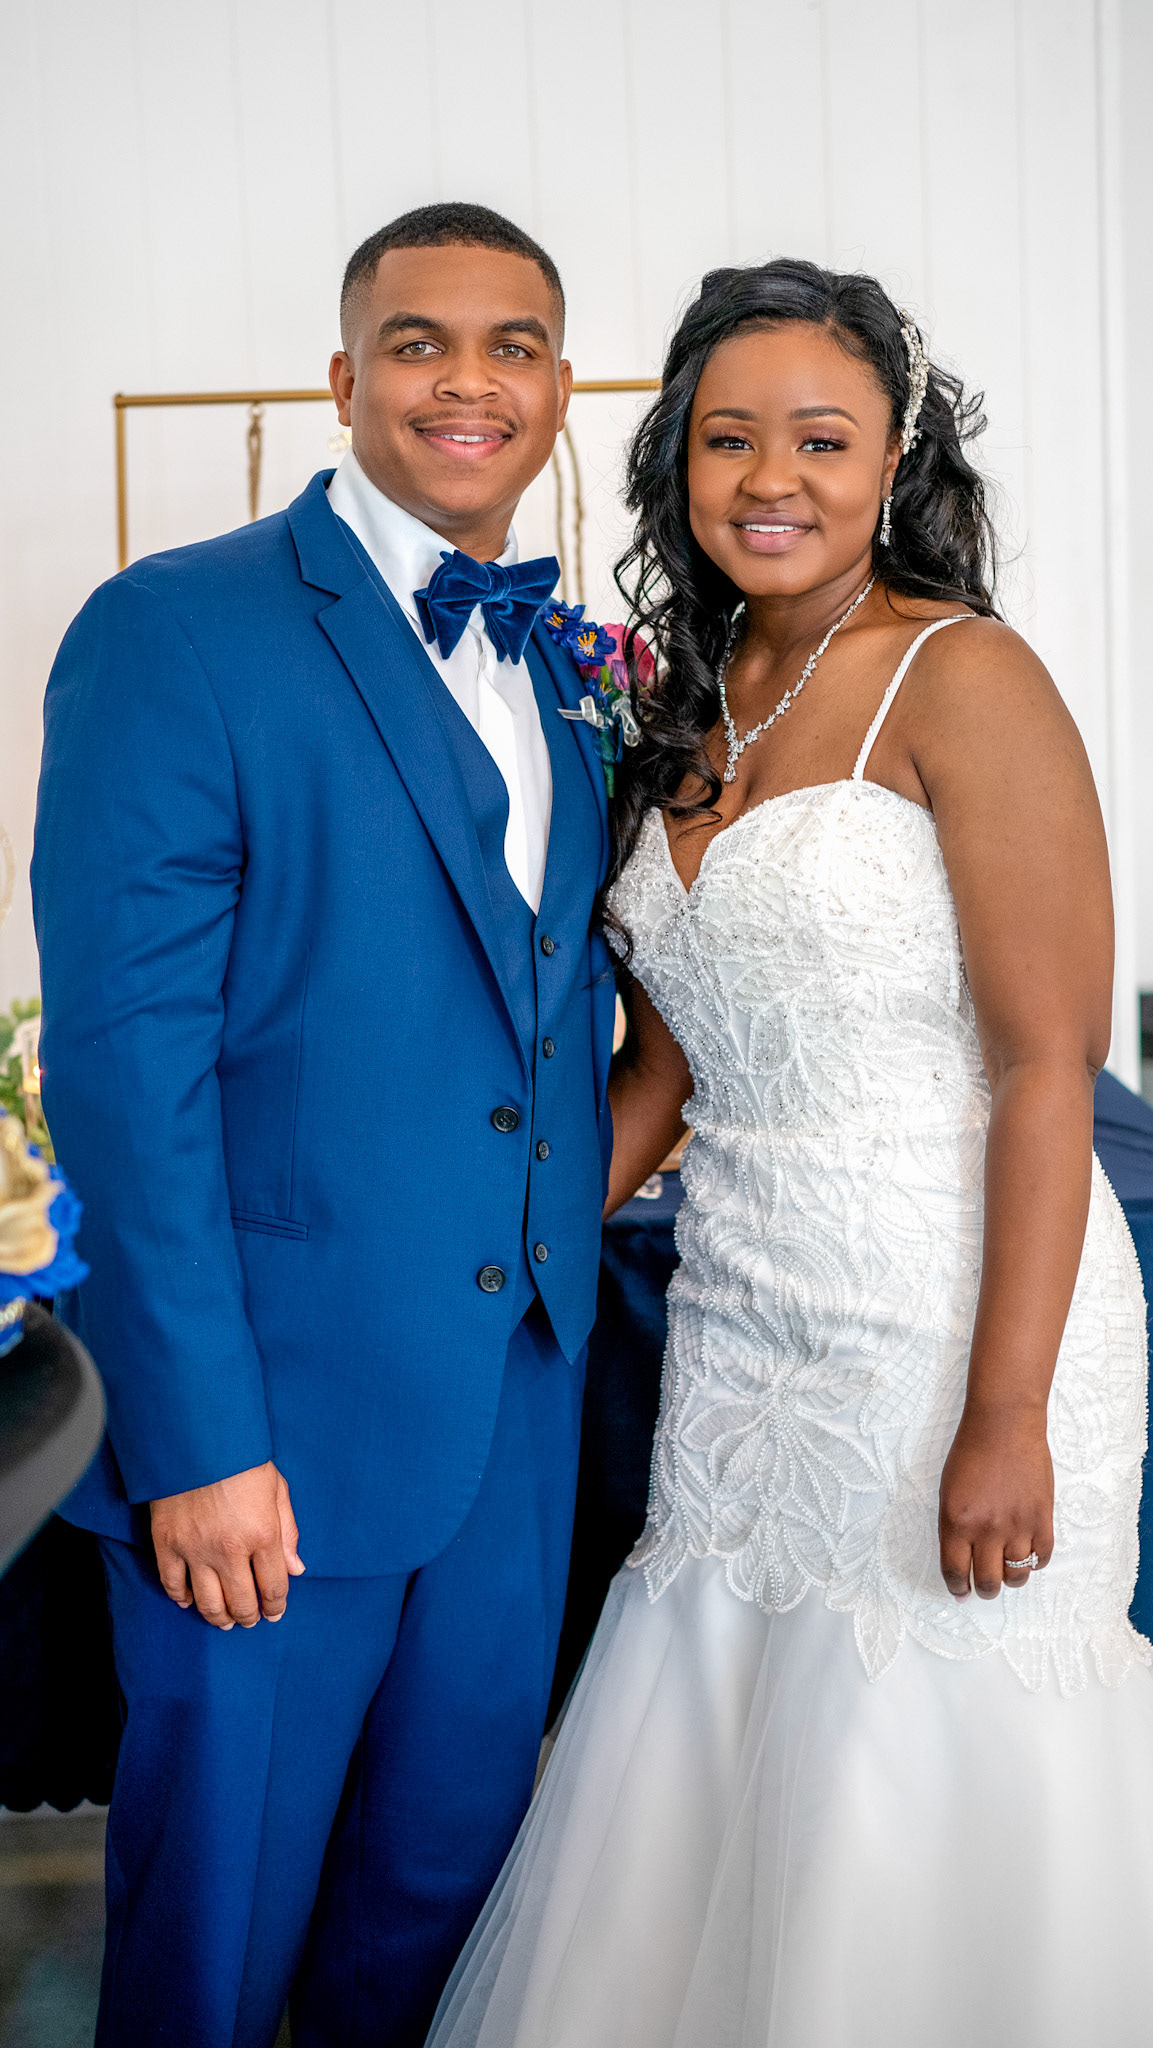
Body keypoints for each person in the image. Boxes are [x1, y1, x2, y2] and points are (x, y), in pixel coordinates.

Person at [427, 258, 1153, 2048]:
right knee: (722, 1744)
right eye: (727, 438)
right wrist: (480, 1260)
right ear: (675, 458)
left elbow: (1048, 1068)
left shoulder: (963, 677)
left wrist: (1003, 1412)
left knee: (922, 1755)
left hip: (956, 1321)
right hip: (742, 1329)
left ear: (893, 460)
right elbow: (666, 1072)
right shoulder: (680, 699)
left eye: (821, 441)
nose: (771, 479)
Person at [32, 201, 616, 2048]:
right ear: (342, 375)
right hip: (266, 1436)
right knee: (215, 1947)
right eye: (419, 342)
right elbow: (122, 1072)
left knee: (434, 1924)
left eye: (511, 346)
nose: (467, 381)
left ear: (559, 386)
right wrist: (198, 1439)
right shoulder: (172, 630)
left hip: (516, 1414)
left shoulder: (575, 670)